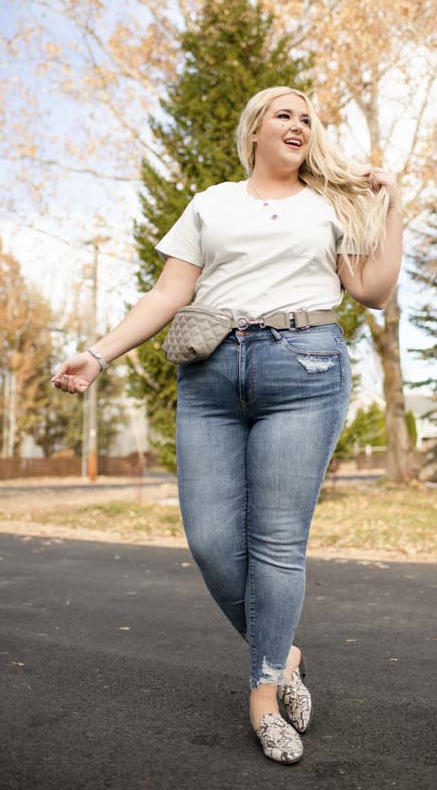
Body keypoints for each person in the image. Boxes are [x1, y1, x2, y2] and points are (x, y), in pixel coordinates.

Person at [51, 85, 403, 765]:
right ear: (255, 132)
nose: (299, 123)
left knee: (275, 545)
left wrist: (394, 209)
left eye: (307, 117)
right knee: (212, 541)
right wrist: (97, 355)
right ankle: (285, 650)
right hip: (211, 374)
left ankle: (263, 697)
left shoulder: (329, 205)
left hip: (304, 369)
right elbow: (168, 292)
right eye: (284, 114)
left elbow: (373, 292)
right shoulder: (210, 204)